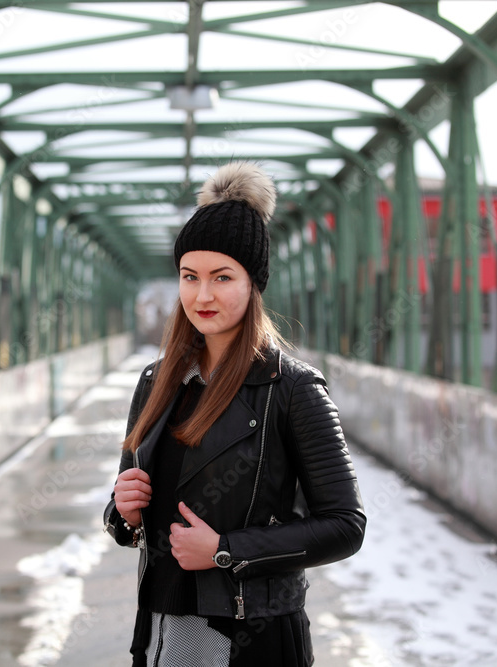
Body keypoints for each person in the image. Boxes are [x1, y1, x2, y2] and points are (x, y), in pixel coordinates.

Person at [103, 161, 366, 667]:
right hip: (160, 631)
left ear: (253, 284)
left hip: (252, 638)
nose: (203, 295)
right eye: (190, 276)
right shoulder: (155, 383)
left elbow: (345, 525)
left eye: (223, 277)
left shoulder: (292, 389)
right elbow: (126, 513)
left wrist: (227, 550)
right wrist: (124, 513)